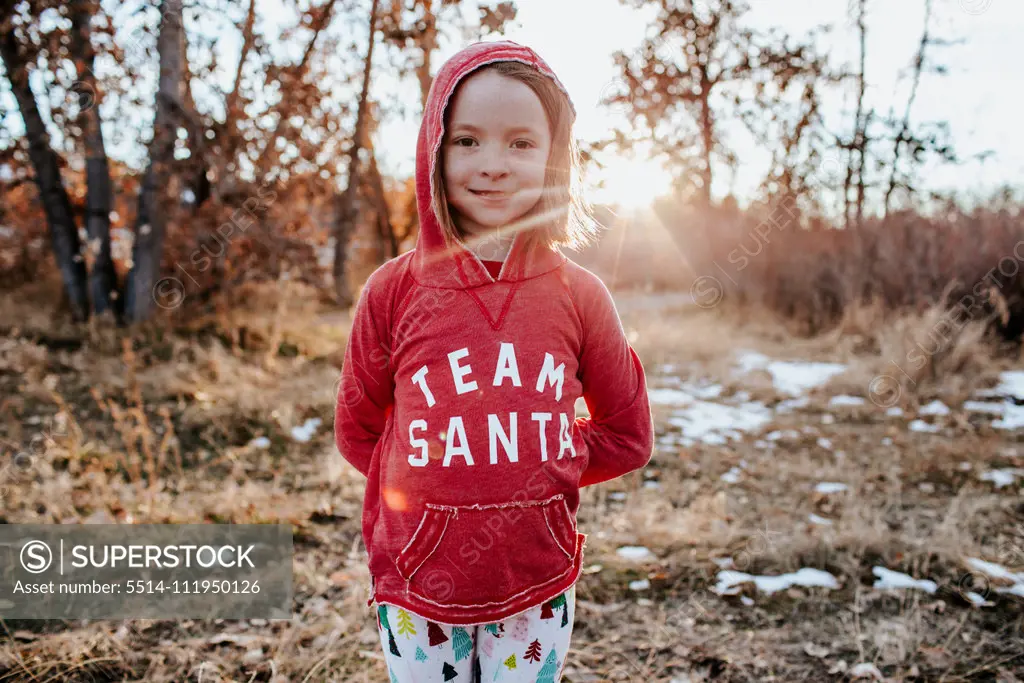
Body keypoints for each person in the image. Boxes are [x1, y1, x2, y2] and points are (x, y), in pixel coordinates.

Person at [334, 40, 655, 683]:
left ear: (555, 158)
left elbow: (627, 435)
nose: (494, 165)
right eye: (467, 141)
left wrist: (536, 468)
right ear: (434, 148)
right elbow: (360, 427)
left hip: (535, 579)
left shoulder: (580, 295)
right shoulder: (392, 291)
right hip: (419, 583)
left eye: (521, 143)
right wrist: (430, 493)